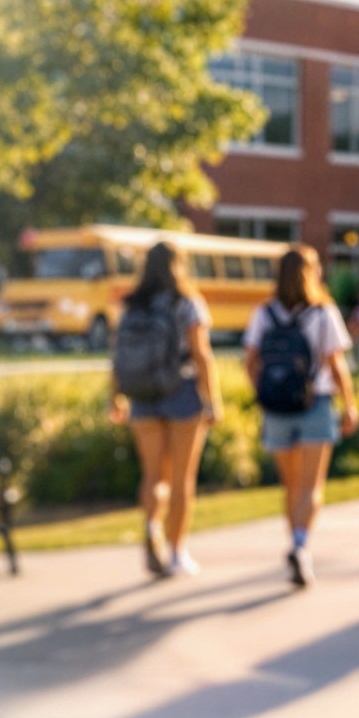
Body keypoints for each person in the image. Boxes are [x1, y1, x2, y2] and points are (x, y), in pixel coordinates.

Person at [244, 246, 359, 587]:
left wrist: (263, 392)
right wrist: (350, 404)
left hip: (277, 407)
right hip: (316, 402)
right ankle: (300, 544)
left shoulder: (264, 313)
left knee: (291, 485)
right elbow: (336, 365)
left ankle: (295, 539)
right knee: (311, 486)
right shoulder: (323, 313)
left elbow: (250, 361)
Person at [110, 240, 221, 578]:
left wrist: (115, 397)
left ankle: (151, 526)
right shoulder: (186, 302)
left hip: (142, 396)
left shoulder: (133, 304)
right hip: (182, 392)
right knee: (182, 478)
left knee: (154, 475)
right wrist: (212, 401)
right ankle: (176, 552)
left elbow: (118, 356)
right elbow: (201, 355)